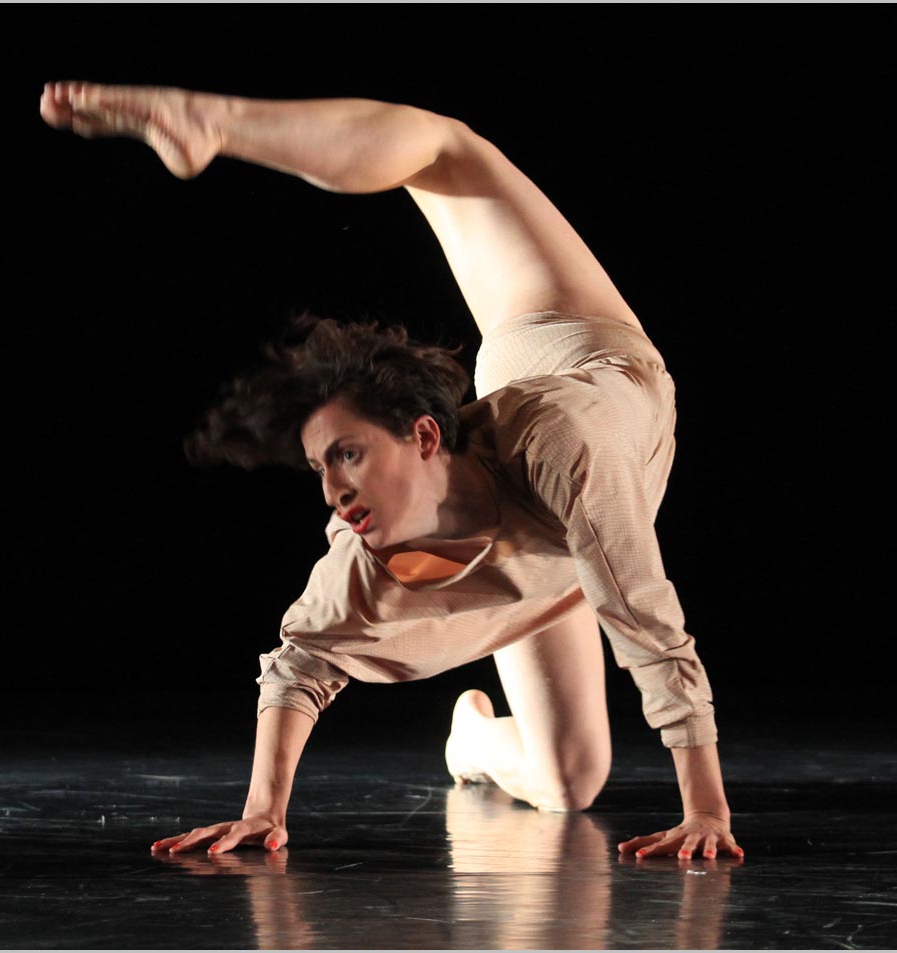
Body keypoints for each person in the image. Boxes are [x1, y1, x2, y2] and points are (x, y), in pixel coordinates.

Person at [39, 81, 744, 863]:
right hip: (546, 537)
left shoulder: (567, 450)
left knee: (449, 151)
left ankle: (218, 121)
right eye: (320, 465)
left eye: (349, 454)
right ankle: (473, 737)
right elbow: (298, 663)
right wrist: (262, 811)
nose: (333, 490)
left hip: (569, 349)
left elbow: (646, 624)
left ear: (424, 435)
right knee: (570, 780)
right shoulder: (364, 556)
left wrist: (706, 811)